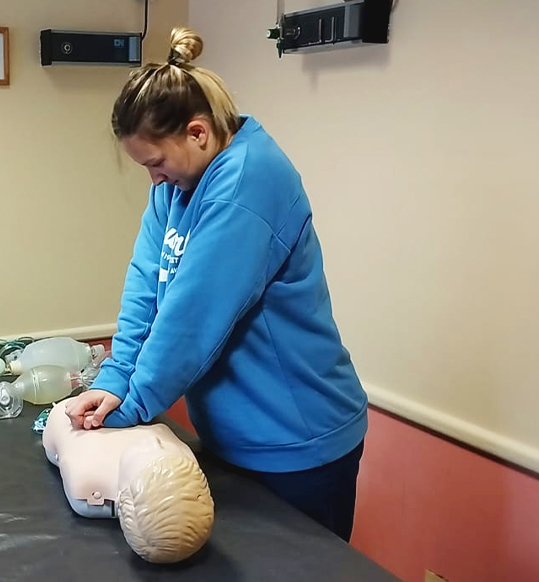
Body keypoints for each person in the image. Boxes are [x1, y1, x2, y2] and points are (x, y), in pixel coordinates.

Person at [65, 27, 369, 543]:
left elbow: (192, 317)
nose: (153, 180)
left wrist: (132, 405)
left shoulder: (248, 181)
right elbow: (146, 286)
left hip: (297, 439)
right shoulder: (177, 185)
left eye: (156, 163)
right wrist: (113, 380)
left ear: (198, 133)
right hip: (233, 436)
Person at [43, 398, 214, 563]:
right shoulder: (187, 462)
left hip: (73, 413)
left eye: (144, 454)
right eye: (165, 448)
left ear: (123, 499)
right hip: (126, 399)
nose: (153, 442)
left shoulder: (86, 478)